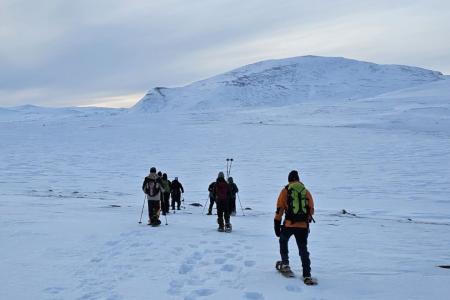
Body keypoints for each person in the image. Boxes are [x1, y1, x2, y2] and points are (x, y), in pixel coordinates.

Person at [274, 170, 315, 285]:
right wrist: (307, 221)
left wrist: (277, 224)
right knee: (303, 249)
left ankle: (285, 264)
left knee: (283, 240)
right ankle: (307, 275)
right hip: (303, 226)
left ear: (289, 180)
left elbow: (280, 209)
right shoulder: (305, 191)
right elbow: (311, 209)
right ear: (298, 179)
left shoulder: (285, 191)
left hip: (289, 224)